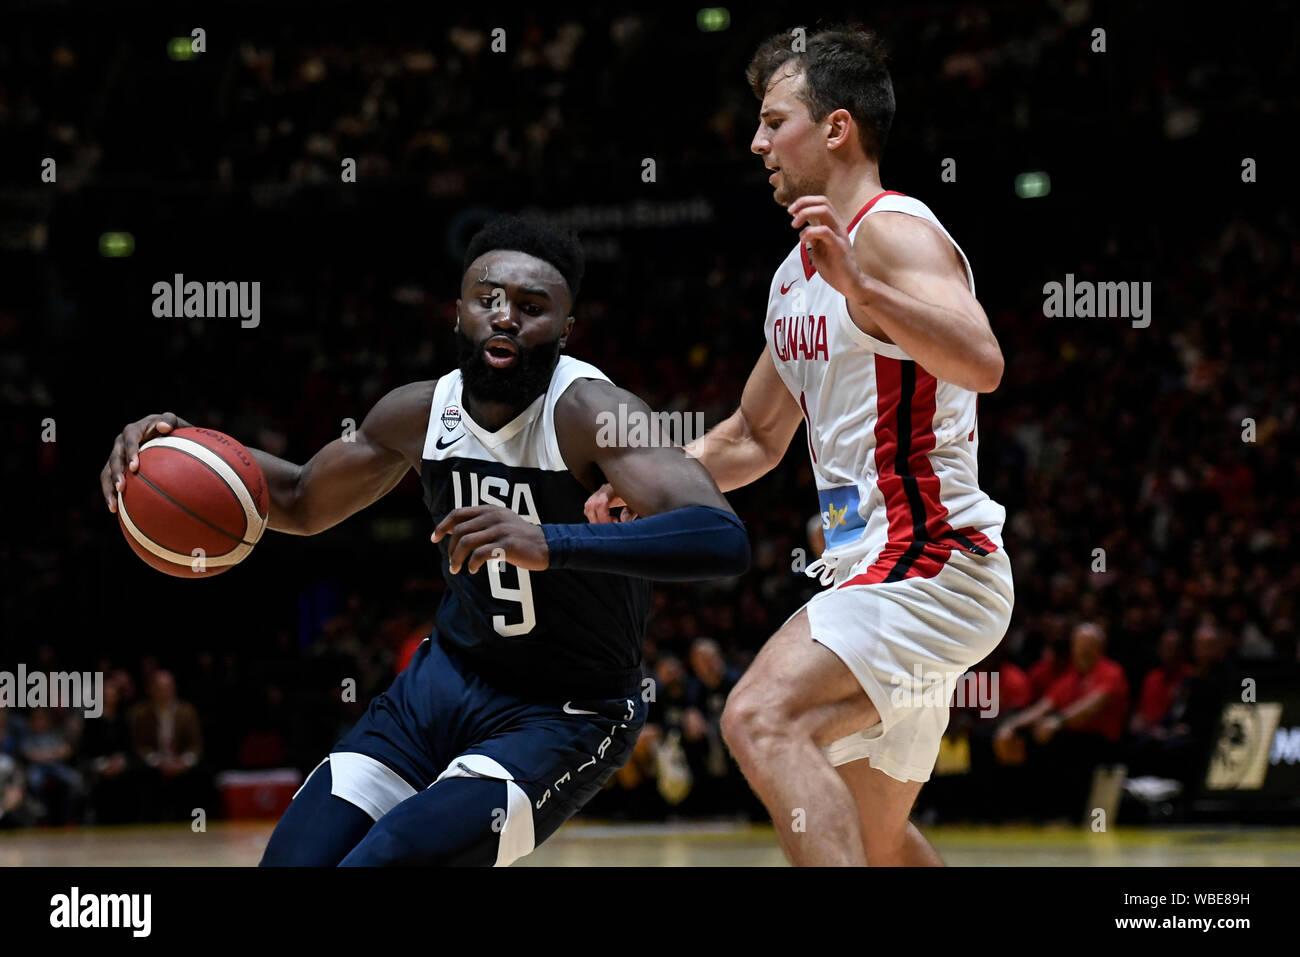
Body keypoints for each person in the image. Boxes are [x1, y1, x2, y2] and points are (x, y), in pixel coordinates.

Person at [100, 216, 749, 865]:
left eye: (530, 307)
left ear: (564, 328)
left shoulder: (591, 413)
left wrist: (552, 541)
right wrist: (185, 445)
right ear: (458, 312)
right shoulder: (416, 413)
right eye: (488, 299)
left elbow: (722, 537)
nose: (505, 318)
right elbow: (298, 499)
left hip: (566, 713)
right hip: (437, 692)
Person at [588, 24, 1012, 865]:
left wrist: (864, 286)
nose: (756, 141)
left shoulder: (893, 232)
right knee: (878, 843)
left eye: (773, 119)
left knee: (756, 715)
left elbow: (983, 360)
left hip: (928, 561)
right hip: (871, 571)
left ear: (837, 128)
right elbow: (753, 437)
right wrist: (647, 480)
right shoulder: (793, 274)